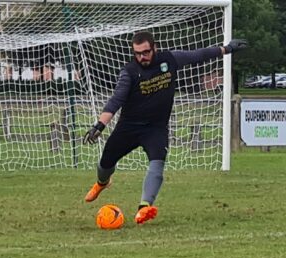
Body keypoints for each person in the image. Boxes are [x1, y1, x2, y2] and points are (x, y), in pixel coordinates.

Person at [82, 31, 247, 224]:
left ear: (155, 48)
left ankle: (144, 208)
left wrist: (227, 49)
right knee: (105, 164)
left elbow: (198, 55)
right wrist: (100, 125)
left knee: (157, 163)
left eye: (145, 52)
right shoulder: (129, 72)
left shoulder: (169, 59)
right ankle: (102, 183)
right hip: (128, 128)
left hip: (155, 128)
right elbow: (116, 100)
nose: (141, 57)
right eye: (137, 53)